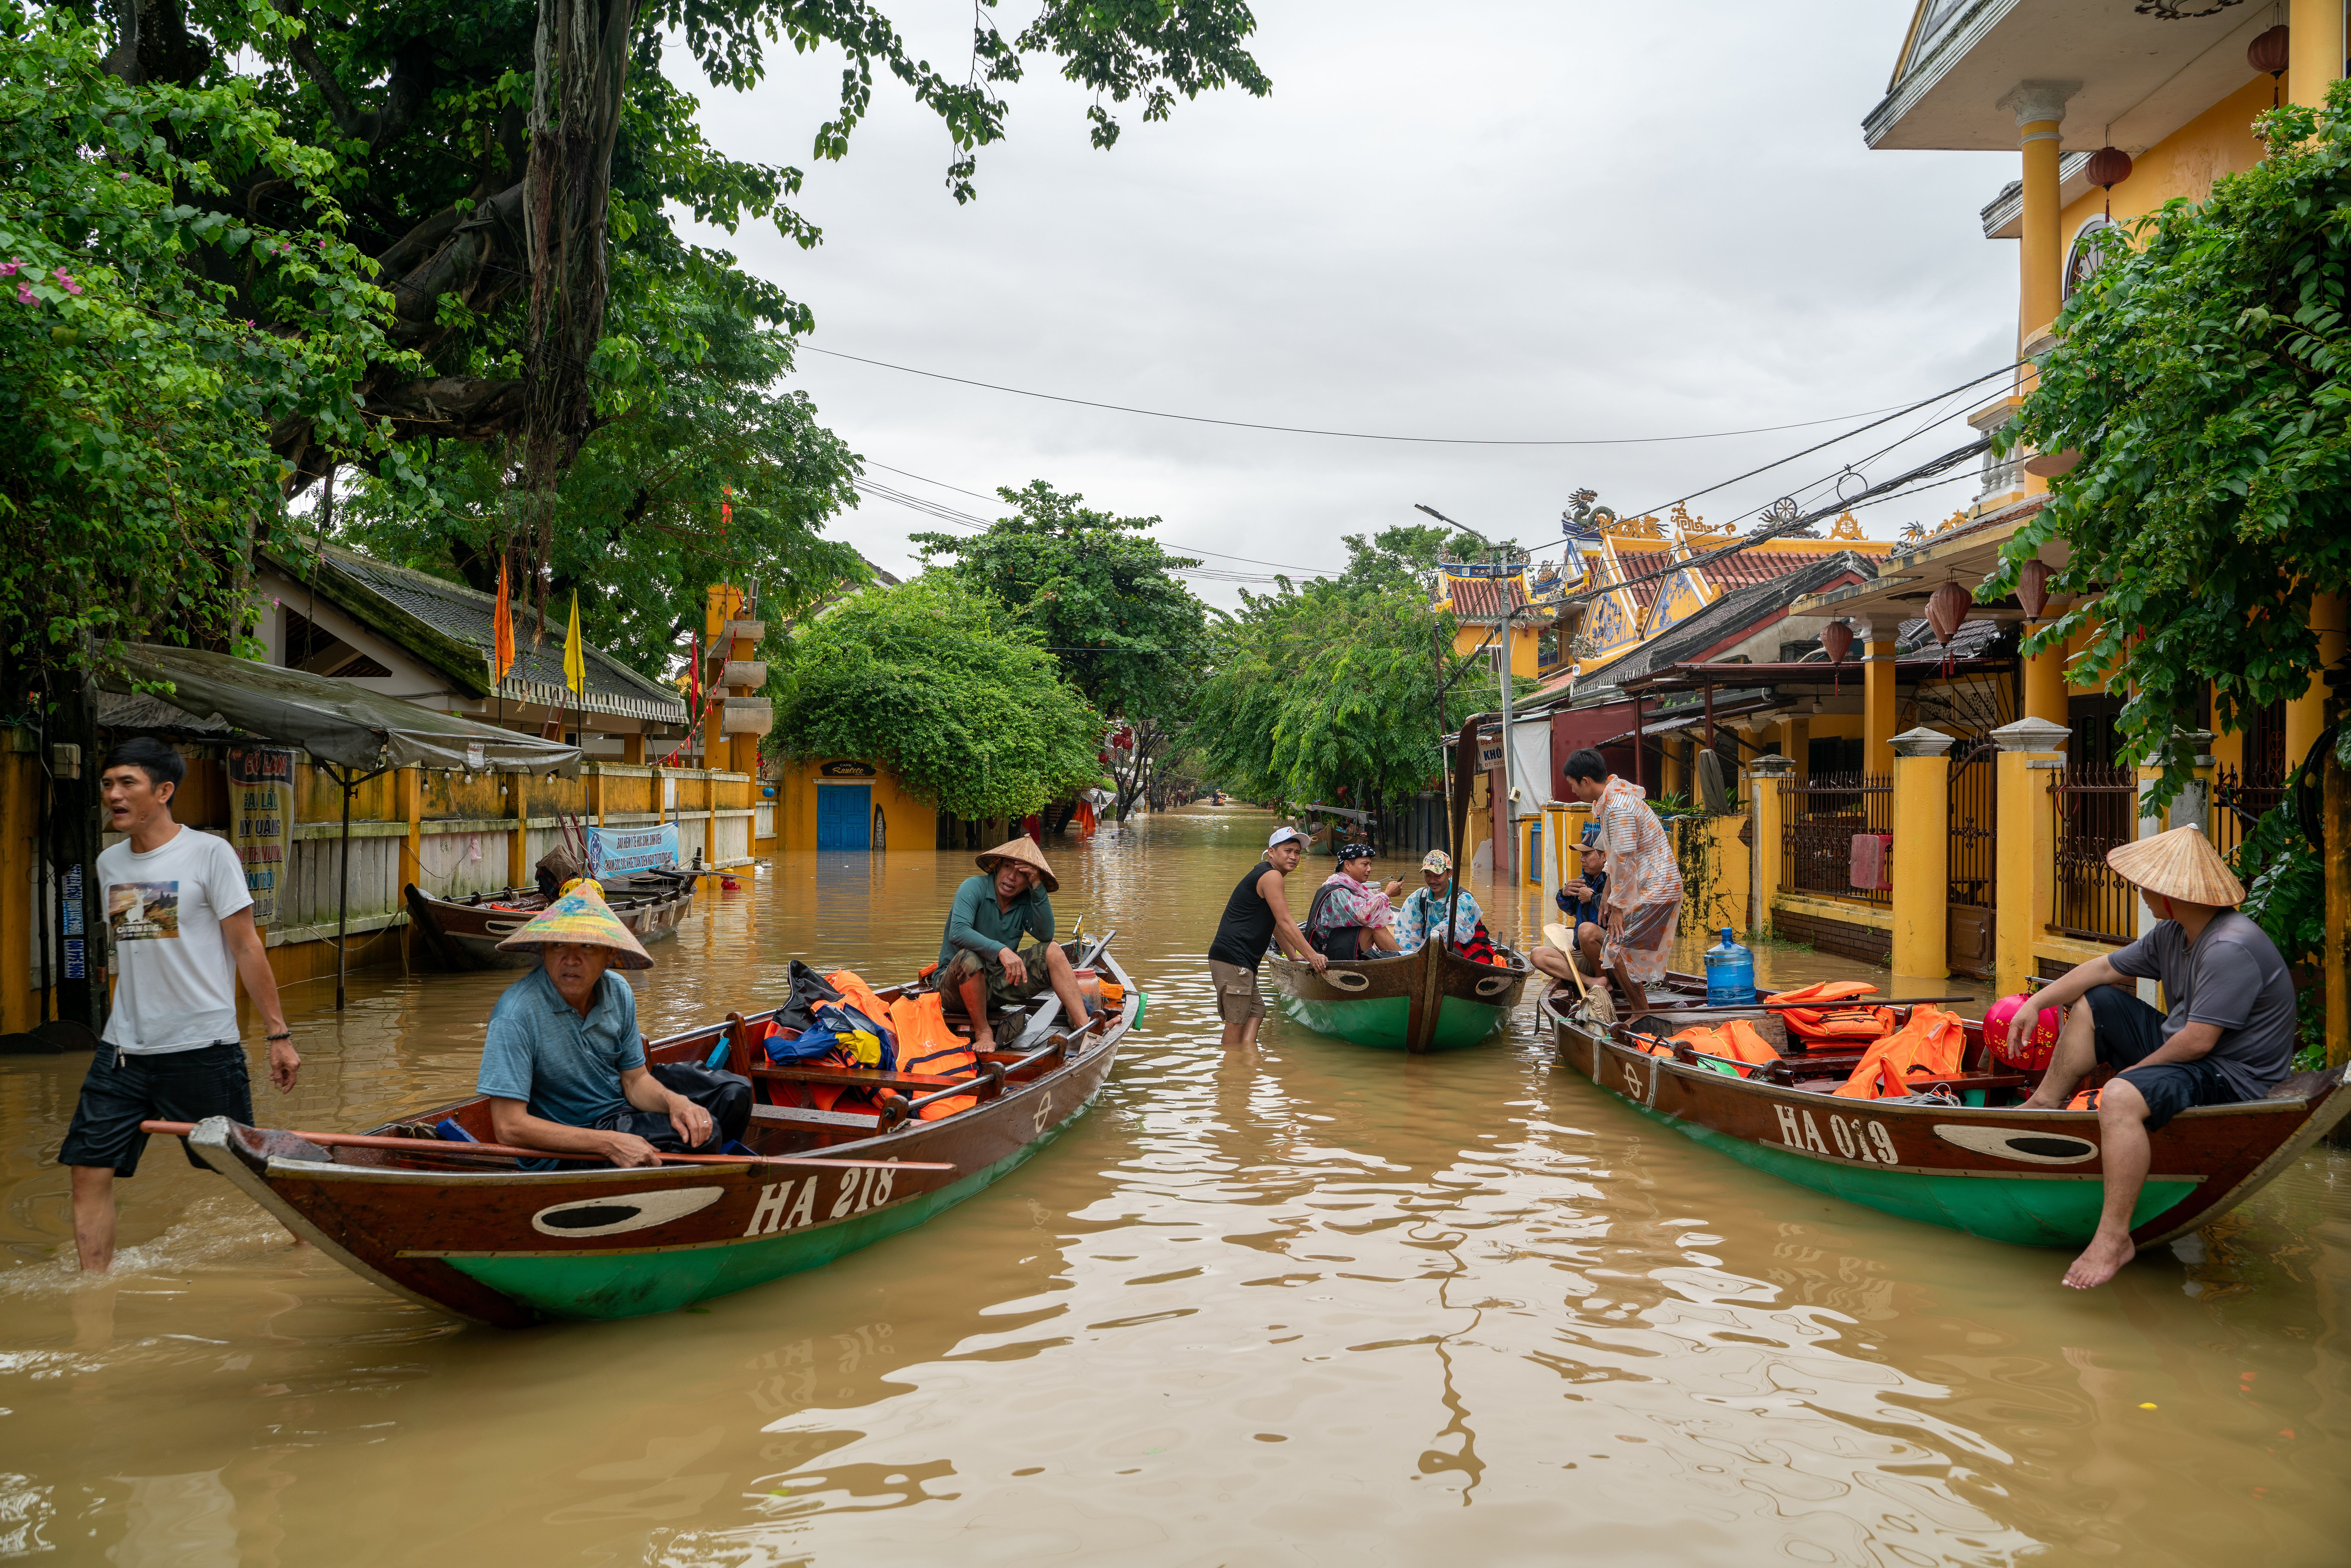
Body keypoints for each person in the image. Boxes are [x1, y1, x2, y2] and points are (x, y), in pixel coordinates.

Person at [2012, 825, 2297, 1290]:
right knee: (2096, 1001)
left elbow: (2198, 1043)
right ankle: (2044, 1103)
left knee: (2121, 1098)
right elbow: (2103, 969)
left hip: (2230, 1076)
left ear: (2170, 895)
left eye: (2147, 888)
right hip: (2192, 1053)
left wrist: (2131, 1078)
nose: (2141, 894)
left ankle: (2112, 1238)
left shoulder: (2230, 947)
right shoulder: (2173, 934)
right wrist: (2035, 1004)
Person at [61, 738, 300, 1272]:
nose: (114, 794)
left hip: (201, 1046)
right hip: (123, 1049)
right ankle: (93, 1294)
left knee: (243, 1166)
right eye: (107, 783)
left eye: (128, 783)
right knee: (87, 1169)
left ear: (164, 790)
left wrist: (278, 1035)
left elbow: (245, 945)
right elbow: (138, 945)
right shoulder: (109, 861)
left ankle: (317, 1241)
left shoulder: (209, 853)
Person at [480, 880, 749, 1168]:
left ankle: (710, 1173)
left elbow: (634, 1081)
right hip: (571, 1142)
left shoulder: (618, 991)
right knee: (705, 1137)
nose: (571, 960)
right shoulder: (516, 1013)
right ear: (543, 950)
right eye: (558, 945)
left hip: (620, 1108)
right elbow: (509, 1128)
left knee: (734, 1094)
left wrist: (676, 1103)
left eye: (586, 946)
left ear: (610, 954)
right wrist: (609, 1143)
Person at [1558, 747, 1682, 1014]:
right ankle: (1639, 1007)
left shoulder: (1618, 808)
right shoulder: (1614, 800)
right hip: (1650, 887)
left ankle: (1641, 1013)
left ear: (1586, 781)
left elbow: (1625, 863)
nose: (1573, 792)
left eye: (1572, 786)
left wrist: (1617, 909)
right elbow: (1615, 859)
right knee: (1621, 946)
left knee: (1617, 946)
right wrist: (1606, 897)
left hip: (1656, 888)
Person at [940, 838, 1092, 1049]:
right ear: (997, 867)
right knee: (969, 958)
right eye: (1008, 867)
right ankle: (984, 1032)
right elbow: (958, 932)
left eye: (1022, 873)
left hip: (996, 986)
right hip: (955, 989)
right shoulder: (973, 887)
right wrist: (1000, 950)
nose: (1012, 877)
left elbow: (1046, 934)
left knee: (1054, 951)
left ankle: (1085, 1028)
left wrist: (1038, 887)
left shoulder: (1025, 901)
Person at [1207, 826, 1327, 1049]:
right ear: (1271, 852)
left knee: (1256, 1012)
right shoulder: (1271, 876)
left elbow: (1275, 925)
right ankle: (1231, 1073)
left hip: (1239, 961)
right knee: (1236, 1021)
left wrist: (1293, 956)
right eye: (1288, 850)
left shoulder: (1267, 873)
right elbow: (1285, 922)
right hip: (1234, 960)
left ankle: (1247, 1065)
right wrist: (1312, 956)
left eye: (1298, 853)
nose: (1293, 857)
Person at [1530, 825, 1611, 989]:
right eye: (1582, 855)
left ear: (1605, 857)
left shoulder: (1614, 879)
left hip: (1610, 954)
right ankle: (1592, 981)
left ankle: (1603, 977)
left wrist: (1593, 898)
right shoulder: (1583, 880)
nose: (1582, 859)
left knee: (1586, 930)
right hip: (1584, 952)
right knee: (1537, 955)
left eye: (1587, 854)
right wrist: (1565, 894)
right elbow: (1570, 910)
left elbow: (1618, 908)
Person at [1305, 843, 1404, 959]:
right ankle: (1404, 960)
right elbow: (1364, 916)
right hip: (1324, 951)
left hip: (1337, 943)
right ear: (1347, 865)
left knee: (1374, 922)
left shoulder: (1345, 885)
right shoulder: (1338, 891)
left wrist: (1384, 897)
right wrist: (1386, 895)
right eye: (1365, 865)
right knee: (1375, 927)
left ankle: (1399, 957)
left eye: (1370, 865)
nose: (1370, 869)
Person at [1391, 850, 1483, 954]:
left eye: (1438, 876)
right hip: (1425, 951)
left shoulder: (1464, 899)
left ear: (1450, 873)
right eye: (1428, 875)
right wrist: (1412, 954)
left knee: (1439, 944)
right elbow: (1407, 932)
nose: (1433, 881)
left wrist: (1424, 949)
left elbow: (1450, 927)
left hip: (1457, 953)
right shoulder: (1419, 896)